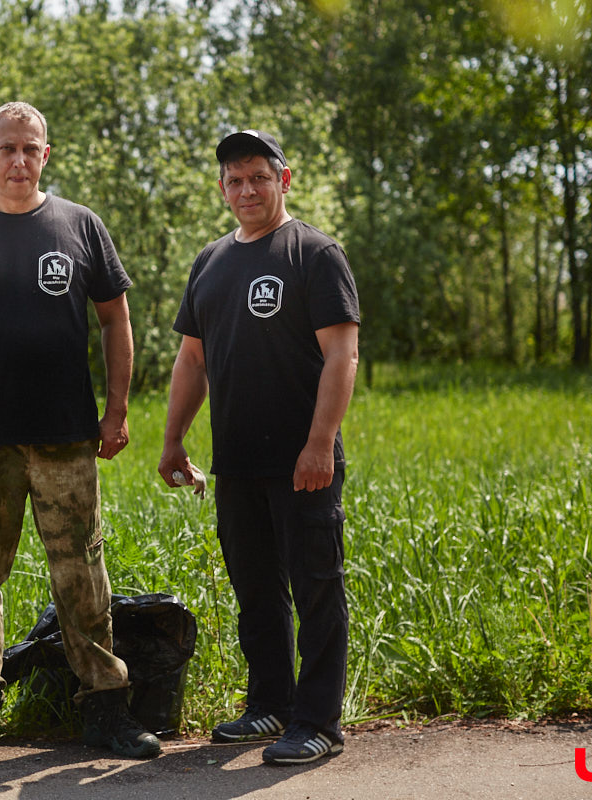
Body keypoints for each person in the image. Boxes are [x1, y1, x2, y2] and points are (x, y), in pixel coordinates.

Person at [0, 101, 161, 762]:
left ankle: (105, 707)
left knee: (82, 570)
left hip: (66, 434)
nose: (18, 159)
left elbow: (115, 318)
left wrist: (117, 408)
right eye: (6, 147)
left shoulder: (79, 226)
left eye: (30, 148)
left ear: (47, 155)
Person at [157, 129, 360, 765]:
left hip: (304, 461)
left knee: (316, 586)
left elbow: (342, 354)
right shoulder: (210, 261)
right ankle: (270, 703)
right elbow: (192, 359)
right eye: (235, 180)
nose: (247, 189)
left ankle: (318, 719)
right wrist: (172, 440)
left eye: (259, 177)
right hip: (237, 463)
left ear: (284, 179)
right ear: (222, 188)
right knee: (255, 589)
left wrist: (320, 443)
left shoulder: (315, 254)